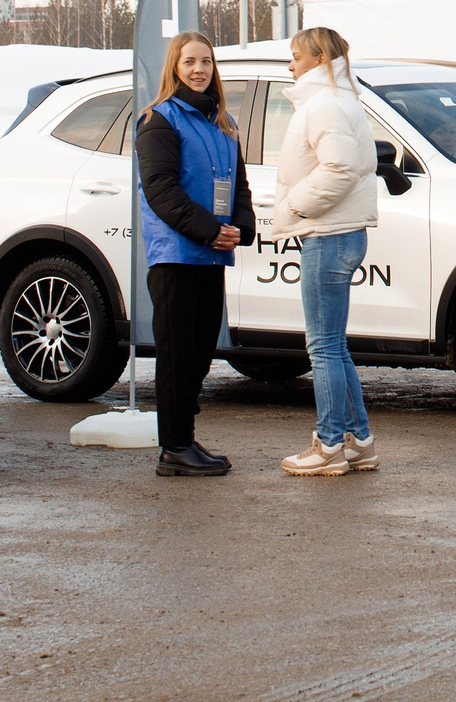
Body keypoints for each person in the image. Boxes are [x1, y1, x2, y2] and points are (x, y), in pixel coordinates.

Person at [136, 31, 255, 477]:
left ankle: (185, 436)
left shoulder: (222, 123)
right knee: (176, 353)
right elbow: (161, 191)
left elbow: (237, 185)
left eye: (205, 61)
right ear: (174, 67)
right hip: (177, 255)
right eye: (189, 62)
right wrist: (210, 231)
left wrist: (239, 229)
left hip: (211, 253)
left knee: (201, 351)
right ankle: (173, 448)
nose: (199, 69)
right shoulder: (159, 120)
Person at [272, 26, 381, 477]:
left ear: (317, 59)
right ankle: (357, 441)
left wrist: (296, 204)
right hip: (339, 231)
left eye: (295, 56)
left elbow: (341, 168)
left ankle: (330, 443)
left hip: (328, 233)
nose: (290, 64)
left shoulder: (324, 105)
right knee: (333, 346)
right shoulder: (337, 100)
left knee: (322, 348)